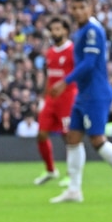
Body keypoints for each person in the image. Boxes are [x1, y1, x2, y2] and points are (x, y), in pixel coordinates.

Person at [48, 0, 112, 204]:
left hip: (95, 93)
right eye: (74, 8)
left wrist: (65, 81)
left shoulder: (92, 30)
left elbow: (90, 63)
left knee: (97, 140)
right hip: (84, 94)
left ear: (90, 8)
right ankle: (74, 190)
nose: (77, 11)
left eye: (81, 7)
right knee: (73, 137)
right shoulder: (82, 30)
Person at [34, 16, 77, 186]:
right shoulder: (50, 52)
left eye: (58, 29)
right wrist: (43, 99)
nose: (55, 32)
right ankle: (51, 170)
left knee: (69, 137)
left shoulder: (73, 50)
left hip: (67, 98)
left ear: (66, 30)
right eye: (52, 29)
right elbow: (49, 77)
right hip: (51, 99)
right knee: (41, 134)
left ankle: (71, 174)